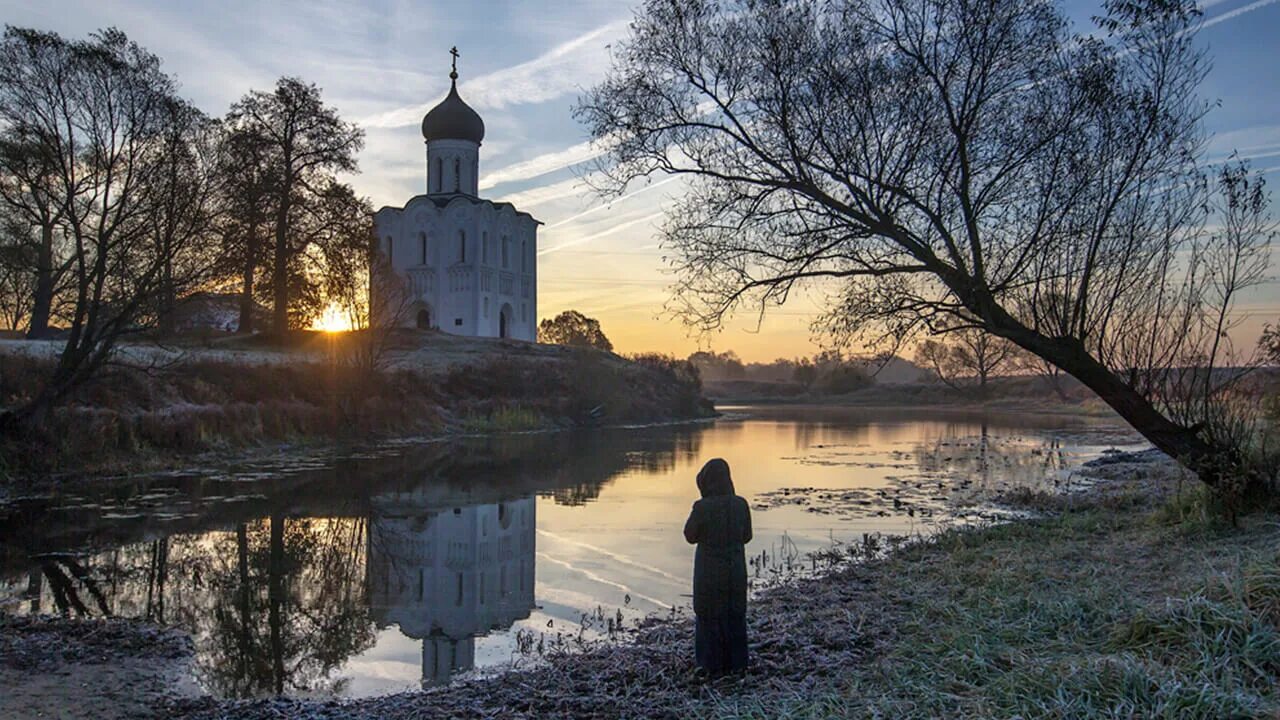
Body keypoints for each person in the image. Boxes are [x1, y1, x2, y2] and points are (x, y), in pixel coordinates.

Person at [683, 457, 752, 676]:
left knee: (708, 616)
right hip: (736, 570)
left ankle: (709, 665)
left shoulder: (702, 507)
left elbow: (690, 536)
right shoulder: (741, 504)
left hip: (709, 573)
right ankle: (737, 664)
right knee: (735, 615)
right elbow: (747, 536)